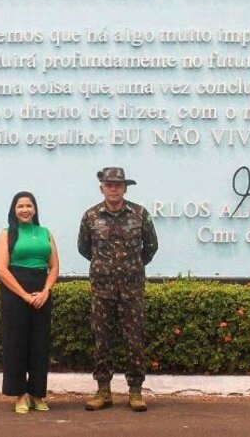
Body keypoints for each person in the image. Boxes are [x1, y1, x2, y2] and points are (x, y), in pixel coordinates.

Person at [78, 167, 158, 412]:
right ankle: (104, 392)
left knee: (134, 340)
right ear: (101, 187)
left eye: (118, 185)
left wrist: (131, 267)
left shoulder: (140, 214)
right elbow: (84, 249)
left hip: (132, 289)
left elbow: (151, 247)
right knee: (102, 341)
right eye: (109, 185)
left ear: (125, 188)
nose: (113, 189)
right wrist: (107, 269)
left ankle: (135, 392)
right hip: (102, 289)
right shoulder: (90, 216)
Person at [0, 191, 59, 414]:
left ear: (35, 209)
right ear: (14, 210)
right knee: (17, 343)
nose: (25, 210)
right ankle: (20, 395)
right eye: (20, 206)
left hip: (41, 293)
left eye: (28, 206)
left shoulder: (45, 233)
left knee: (40, 345)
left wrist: (45, 291)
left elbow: (54, 267)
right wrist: (23, 295)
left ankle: (37, 394)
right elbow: (2, 269)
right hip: (15, 292)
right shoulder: (7, 234)